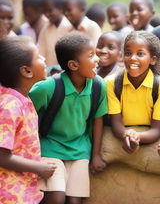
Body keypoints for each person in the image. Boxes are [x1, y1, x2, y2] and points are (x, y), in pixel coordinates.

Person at [29, 33, 107, 204]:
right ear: (73, 65)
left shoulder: (98, 86)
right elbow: (25, 113)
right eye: (91, 55)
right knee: (56, 198)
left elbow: (98, 119)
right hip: (50, 148)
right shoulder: (48, 87)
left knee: (74, 201)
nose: (97, 59)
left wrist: (96, 155)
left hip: (80, 150)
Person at [0, 36, 56, 204]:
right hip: (9, 194)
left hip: (23, 189)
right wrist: (38, 167)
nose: (44, 59)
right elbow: (1, 155)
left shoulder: (21, 99)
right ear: (27, 71)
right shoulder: (10, 106)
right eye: (38, 56)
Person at [106, 31, 160, 154]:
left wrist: (136, 137)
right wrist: (127, 134)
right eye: (128, 53)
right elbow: (116, 125)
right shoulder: (111, 83)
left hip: (148, 132)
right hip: (122, 131)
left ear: (152, 59)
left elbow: (157, 130)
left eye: (140, 54)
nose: (132, 58)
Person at [37, 0, 73, 67]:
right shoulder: (46, 28)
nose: (47, 14)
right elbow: (40, 52)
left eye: (50, 10)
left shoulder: (69, 27)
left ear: (61, 9)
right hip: (48, 71)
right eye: (44, 11)